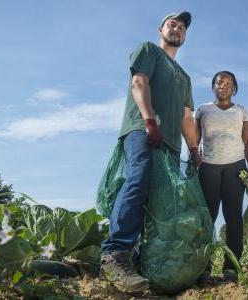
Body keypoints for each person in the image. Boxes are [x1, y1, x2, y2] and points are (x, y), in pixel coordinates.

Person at [99, 12, 199, 293]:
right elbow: (138, 83)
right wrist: (149, 121)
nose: (177, 28)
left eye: (182, 27)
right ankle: (115, 254)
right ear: (161, 28)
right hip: (142, 132)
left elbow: (186, 117)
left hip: (170, 146)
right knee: (138, 180)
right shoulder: (148, 50)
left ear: (185, 35)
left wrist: (194, 149)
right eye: (172, 24)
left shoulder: (184, 77)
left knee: (161, 203)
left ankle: (143, 262)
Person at [194, 71, 248, 282]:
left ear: (234, 88)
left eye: (228, 83)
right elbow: (195, 140)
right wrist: (193, 160)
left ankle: (231, 268)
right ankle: (203, 268)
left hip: (235, 167)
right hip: (209, 168)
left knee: (233, 219)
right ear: (213, 86)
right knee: (207, 219)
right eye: (219, 82)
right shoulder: (202, 110)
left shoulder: (242, 111)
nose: (223, 85)